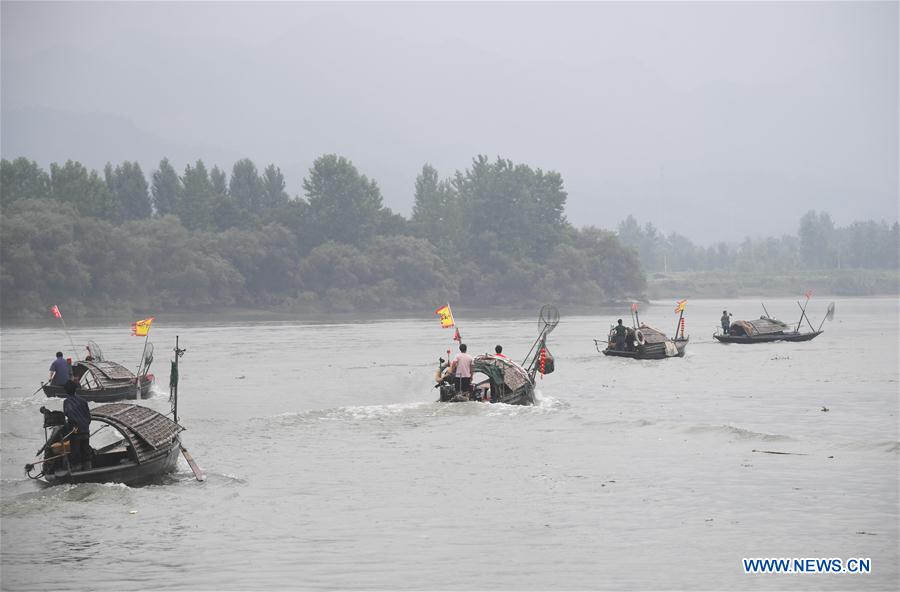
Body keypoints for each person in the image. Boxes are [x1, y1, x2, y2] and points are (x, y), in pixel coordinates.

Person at [62, 380, 92, 470]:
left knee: (75, 454)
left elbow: (67, 414)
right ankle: (88, 469)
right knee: (86, 452)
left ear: (66, 391)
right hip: (85, 431)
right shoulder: (83, 401)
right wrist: (85, 426)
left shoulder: (66, 402)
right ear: (76, 389)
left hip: (75, 432)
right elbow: (88, 416)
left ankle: (77, 470)